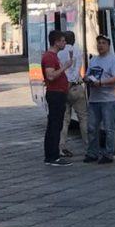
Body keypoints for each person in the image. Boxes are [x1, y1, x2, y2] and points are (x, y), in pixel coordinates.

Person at [84, 35, 115, 164]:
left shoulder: (114, 60)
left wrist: (101, 82)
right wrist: (86, 79)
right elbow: (88, 74)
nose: (100, 45)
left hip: (108, 99)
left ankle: (108, 153)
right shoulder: (94, 60)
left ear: (108, 45)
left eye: (103, 43)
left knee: (109, 128)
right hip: (94, 99)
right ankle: (92, 153)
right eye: (99, 43)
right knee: (91, 127)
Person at [42, 29, 74, 166]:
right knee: (55, 125)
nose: (65, 43)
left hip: (58, 93)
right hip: (55, 94)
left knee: (55, 125)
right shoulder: (50, 57)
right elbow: (50, 75)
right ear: (56, 42)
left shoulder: (53, 56)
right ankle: (53, 156)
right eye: (62, 40)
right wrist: (65, 67)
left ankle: (51, 154)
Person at [58, 31, 88, 157]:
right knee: (83, 118)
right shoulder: (77, 51)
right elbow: (76, 71)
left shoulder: (59, 52)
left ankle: (61, 147)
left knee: (64, 120)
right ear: (74, 39)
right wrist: (72, 81)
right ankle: (88, 146)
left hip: (62, 88)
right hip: (75, 88)